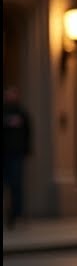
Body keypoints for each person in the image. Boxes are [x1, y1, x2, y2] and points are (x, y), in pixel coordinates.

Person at [2, 85, 31, 229]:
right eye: (8, 94)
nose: (10, 96)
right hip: (4, 153)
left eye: (12, 94)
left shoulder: (22, 113)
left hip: (16, 154)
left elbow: (28, 133)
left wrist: (26, 150)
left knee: (16, 184)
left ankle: (15, 214)